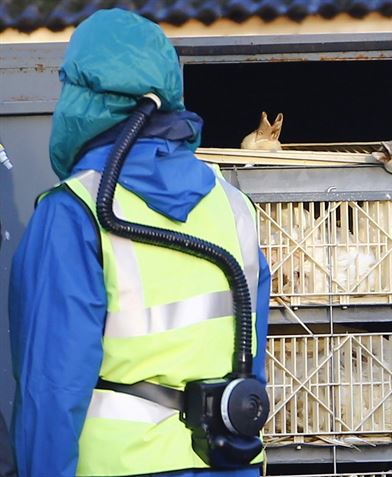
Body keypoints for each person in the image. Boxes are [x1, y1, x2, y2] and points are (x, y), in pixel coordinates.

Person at [9, 9, 270, 477]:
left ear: (86, 99)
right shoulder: (232, 208)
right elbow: (251, 366)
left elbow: (50, 393)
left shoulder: (74, 213)